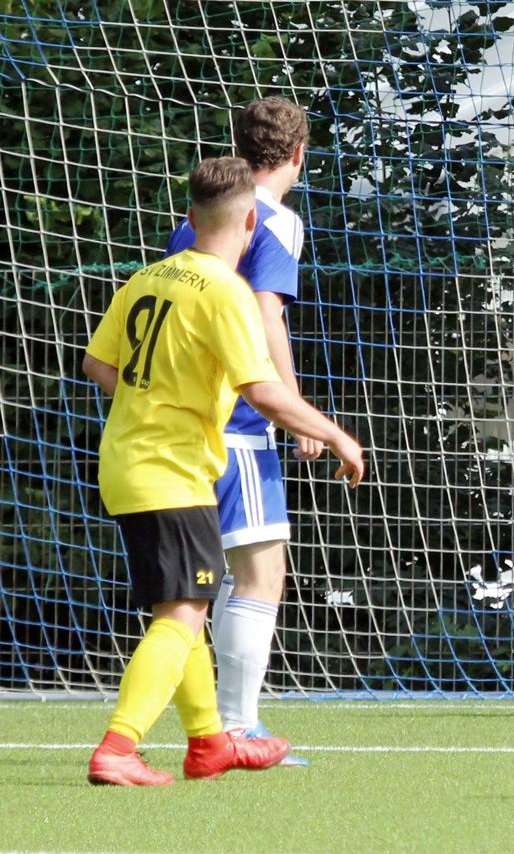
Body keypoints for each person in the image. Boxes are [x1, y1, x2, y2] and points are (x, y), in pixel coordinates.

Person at [83, 157, 365, 786]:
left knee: (185, 607)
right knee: (182, 616)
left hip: (126, 462)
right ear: (247, 225)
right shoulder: (227, 292)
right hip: (175, 469)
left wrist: (153, 398)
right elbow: (263, 391)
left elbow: (98, 366)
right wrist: (336, 435)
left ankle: (208, 742)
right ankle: (119, 746)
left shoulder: (146, 279)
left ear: (189, 218)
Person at [166, 97, 320, 764]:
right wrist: (292, 405)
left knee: (219, 579)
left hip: (186, 420)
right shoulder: (275, 221)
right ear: (296, 155)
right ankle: (238, 726)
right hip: (242, 422)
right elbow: (266, 315)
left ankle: (221, 722)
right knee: (260, 573)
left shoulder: (193, 223)